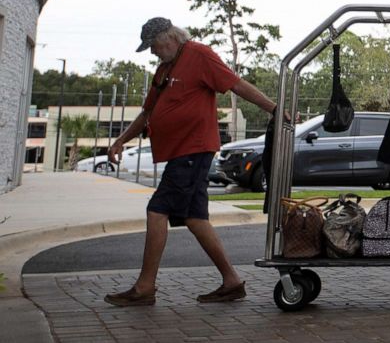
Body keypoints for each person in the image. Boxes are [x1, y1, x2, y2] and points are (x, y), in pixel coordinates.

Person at [104, 17, 278, 307]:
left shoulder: (199, 55)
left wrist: (274, 108)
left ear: (169, 37)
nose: (152, 53)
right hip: (179, 152)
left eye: (154, 46)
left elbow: (236, 84)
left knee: (157, 210)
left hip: (193, 150)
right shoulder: (163, 71)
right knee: (195, 218)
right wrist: (121, 140)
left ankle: (145, 287)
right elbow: (147, 114)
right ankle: (232, 282)